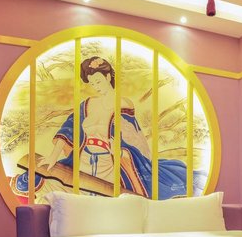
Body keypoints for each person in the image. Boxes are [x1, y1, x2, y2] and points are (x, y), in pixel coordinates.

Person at [42, 56, 188, 198]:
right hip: (84, 159)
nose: (96, 87)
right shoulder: (87, 104)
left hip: (108, 163)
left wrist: (120, 151)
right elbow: (69, 128)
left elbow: (134, 138)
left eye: (98, 81)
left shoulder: (123, 104)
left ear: (107, 77)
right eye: (92, 84)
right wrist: (53, 156)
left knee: (106, 197)